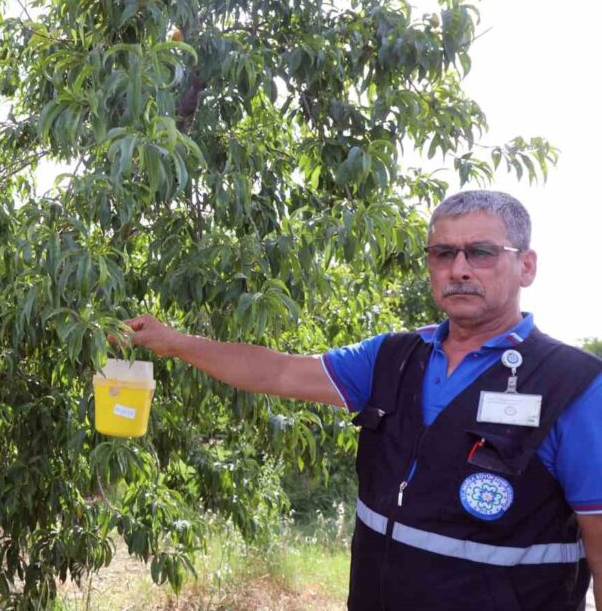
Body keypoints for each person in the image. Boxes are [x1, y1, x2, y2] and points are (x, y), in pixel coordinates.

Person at [122, 190, 602, 610]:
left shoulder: (573, 385)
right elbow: (279, 369)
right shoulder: (391, 357)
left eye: (481, 252)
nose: (458, 269)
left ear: (526, 266)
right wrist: (171, 342)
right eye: (442, 253)